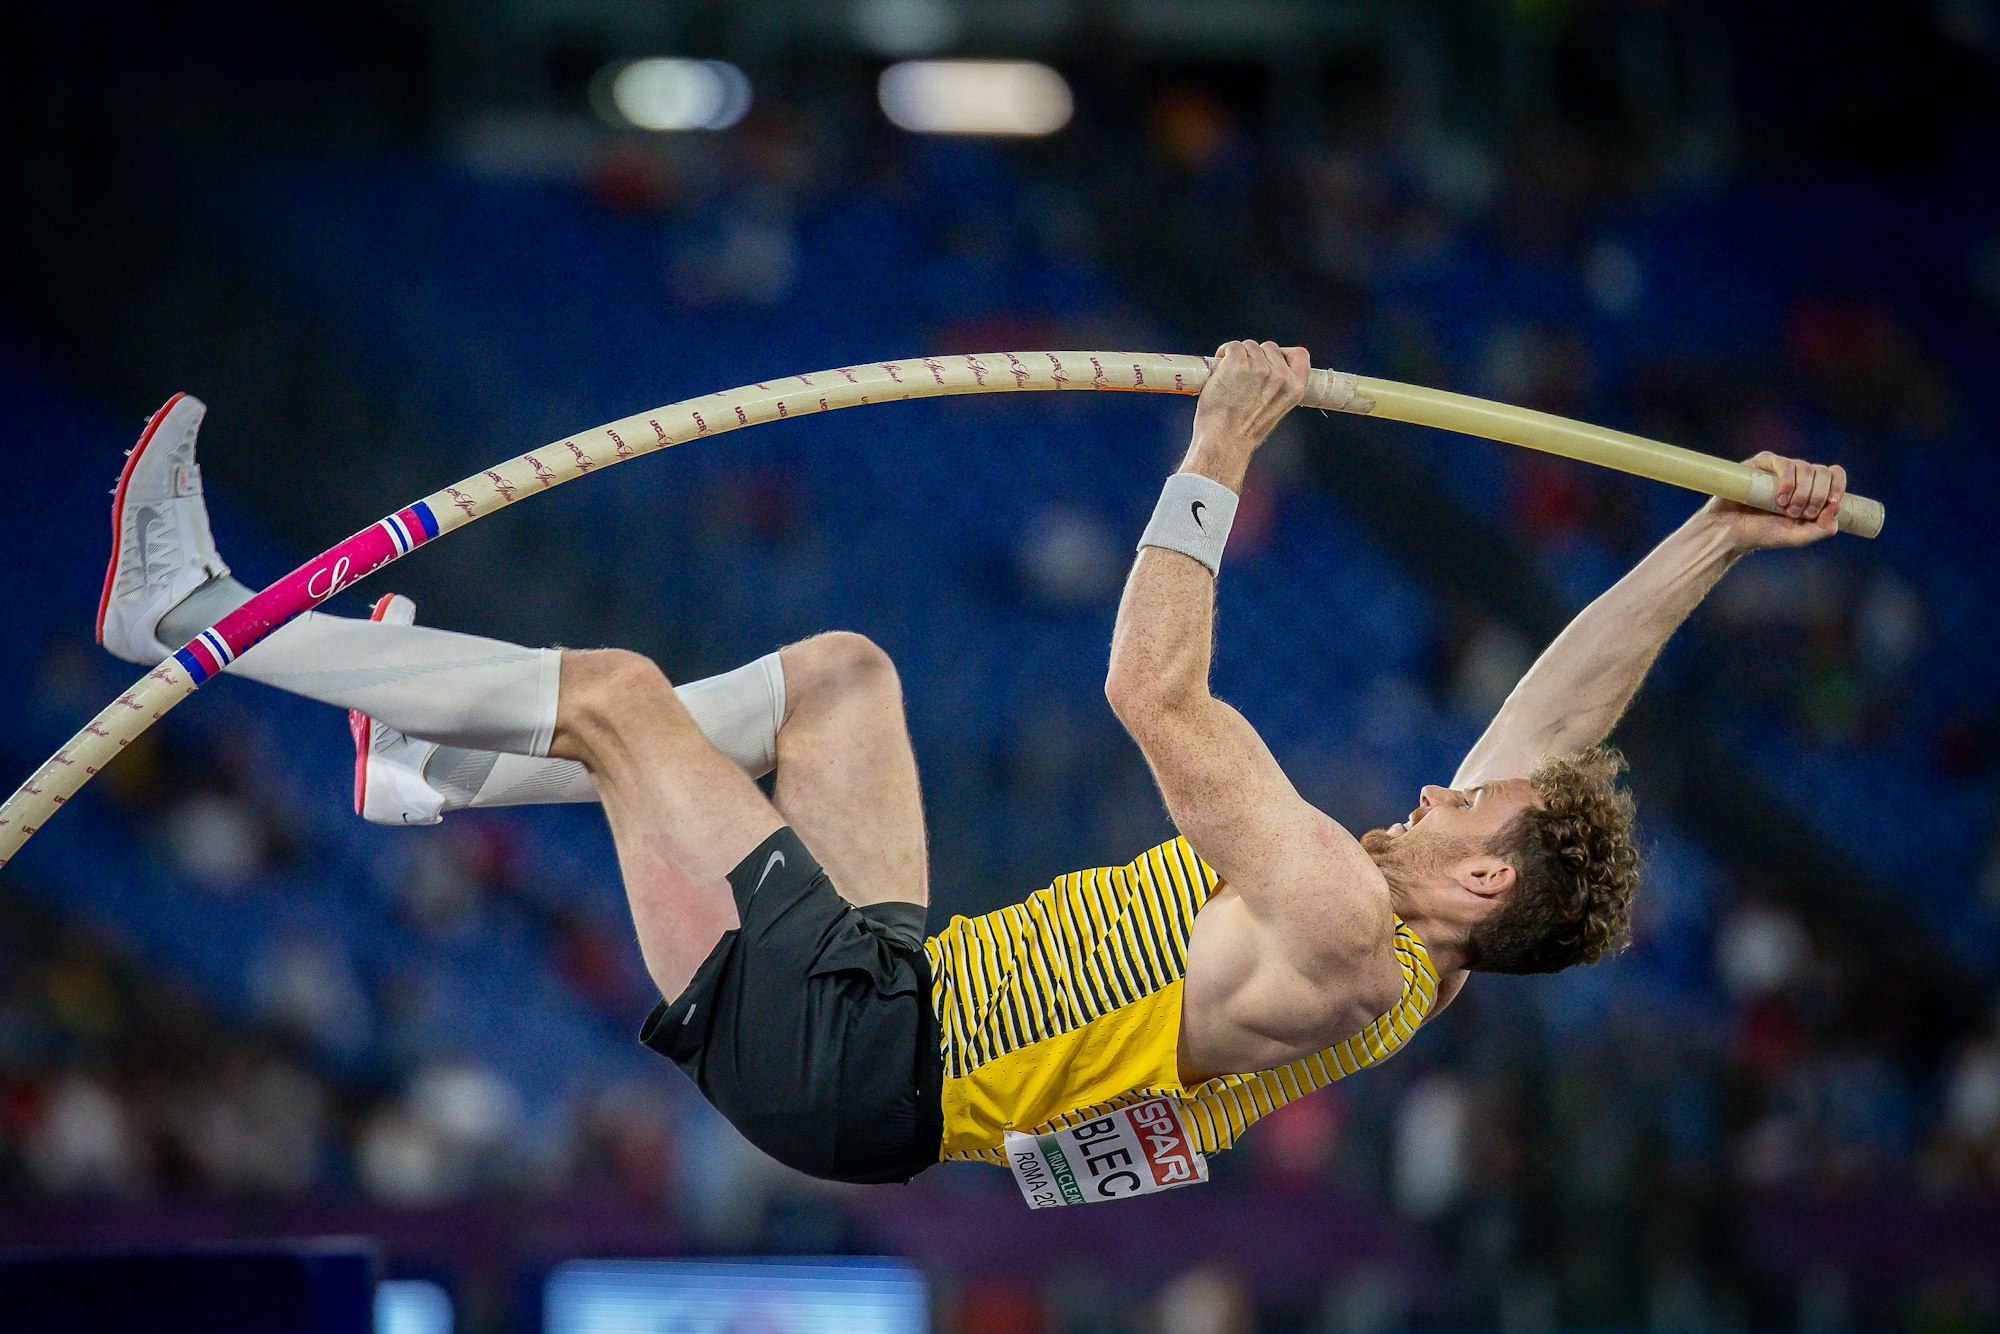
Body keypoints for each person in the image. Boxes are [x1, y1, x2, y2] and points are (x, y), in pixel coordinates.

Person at [95, 342, 1850, 1199]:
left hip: (856, 1058)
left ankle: (194, 613)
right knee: (846, 684)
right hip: (910, 999)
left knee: (622, 696)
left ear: (1480, 884)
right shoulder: (1438, 946)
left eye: (1469, 810)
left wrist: (1219, 444)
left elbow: (1151, 689)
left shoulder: (1335, 912)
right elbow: (1560, 727)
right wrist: (1718, 535)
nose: (1446, 786)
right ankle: (435, 766)